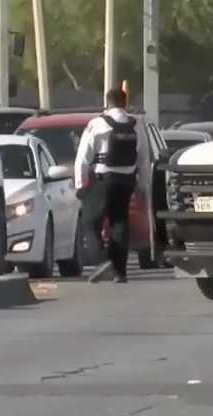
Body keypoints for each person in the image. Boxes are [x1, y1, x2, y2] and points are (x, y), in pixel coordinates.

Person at [75, 89, 150, 283]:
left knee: (90, 222)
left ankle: (103, 261)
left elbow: (83, 158)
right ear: (125, 103)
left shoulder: (97, 124)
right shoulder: (136, 124)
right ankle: (120, 272)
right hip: (127, 181)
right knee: (120, 223)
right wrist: (143, 186)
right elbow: (143, 159)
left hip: (103, 179)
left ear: (107, 103)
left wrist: (80, 185)